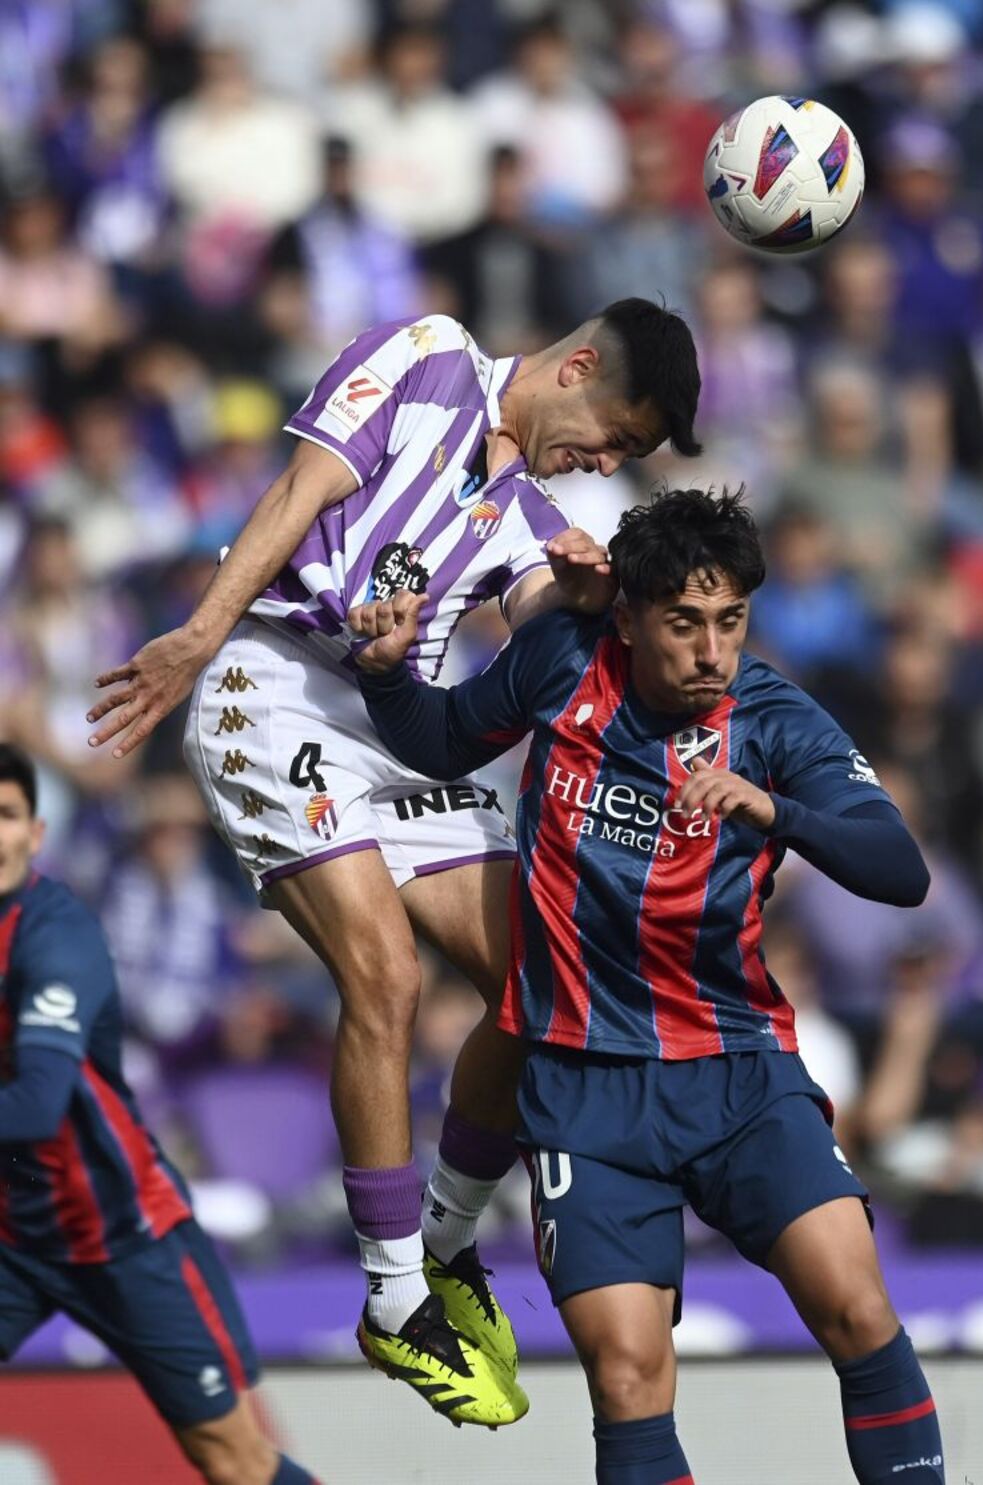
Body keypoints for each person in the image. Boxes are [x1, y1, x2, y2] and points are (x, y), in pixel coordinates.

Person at [86, 298, 702, 1426]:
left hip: (389, 716)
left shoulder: (528, 511)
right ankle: (390, 1296)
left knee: (541, 980)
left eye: (626, 461)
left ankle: (448, 1243)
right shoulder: (425, 358)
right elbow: (295, 497)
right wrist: (199, 632)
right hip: (266, 678)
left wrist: (588, 602)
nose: (607, 461)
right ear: (576, 367)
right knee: (385, 976)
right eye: (617, 435)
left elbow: (535, 621)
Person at [353, 490, 945, 1483]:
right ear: (626, 617)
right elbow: (442, 739)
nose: (712, 649)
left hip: (738, 1074)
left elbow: (901, 867)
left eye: (730, 621)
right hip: (586, 1094)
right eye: (684, 622)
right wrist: (382, 674)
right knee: (629, 1375)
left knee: (856, 1306)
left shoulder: (772, 720)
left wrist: (778, 809)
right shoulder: (562, 664)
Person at [0, 744, 317, 1485]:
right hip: (15, 1236)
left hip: (122, 1230)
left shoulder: (57, 936)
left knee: (232, 1458)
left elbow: (39, 1103)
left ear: (36, 835)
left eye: (7, 814)